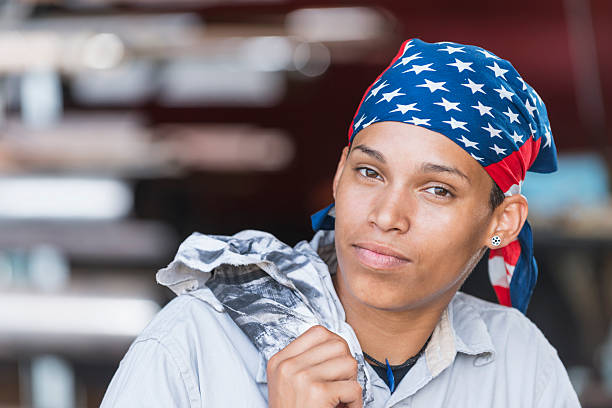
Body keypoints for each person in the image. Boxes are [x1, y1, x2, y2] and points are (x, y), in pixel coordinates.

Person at [101, 39, 581, 407]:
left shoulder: (519, 364)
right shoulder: (195, 344)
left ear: (502, 221)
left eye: (437, 189)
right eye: (369, 173)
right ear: (338, 177)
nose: (387, 216)